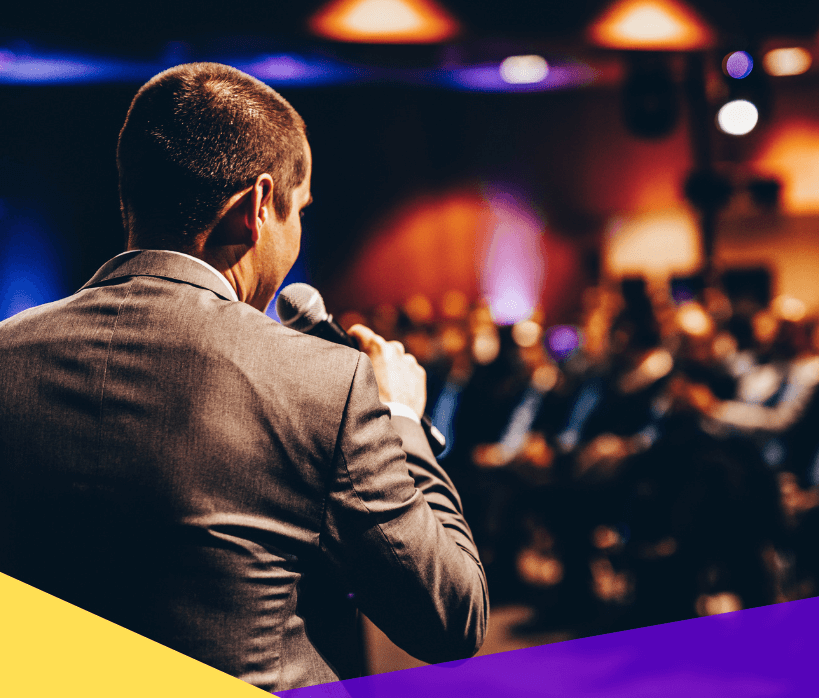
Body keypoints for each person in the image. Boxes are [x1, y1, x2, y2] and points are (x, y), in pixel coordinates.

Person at [0, 63, 487, 691]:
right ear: (257, 207)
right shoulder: (319, 381)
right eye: (299, 210)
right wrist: (399, 420)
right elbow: (451, 618)